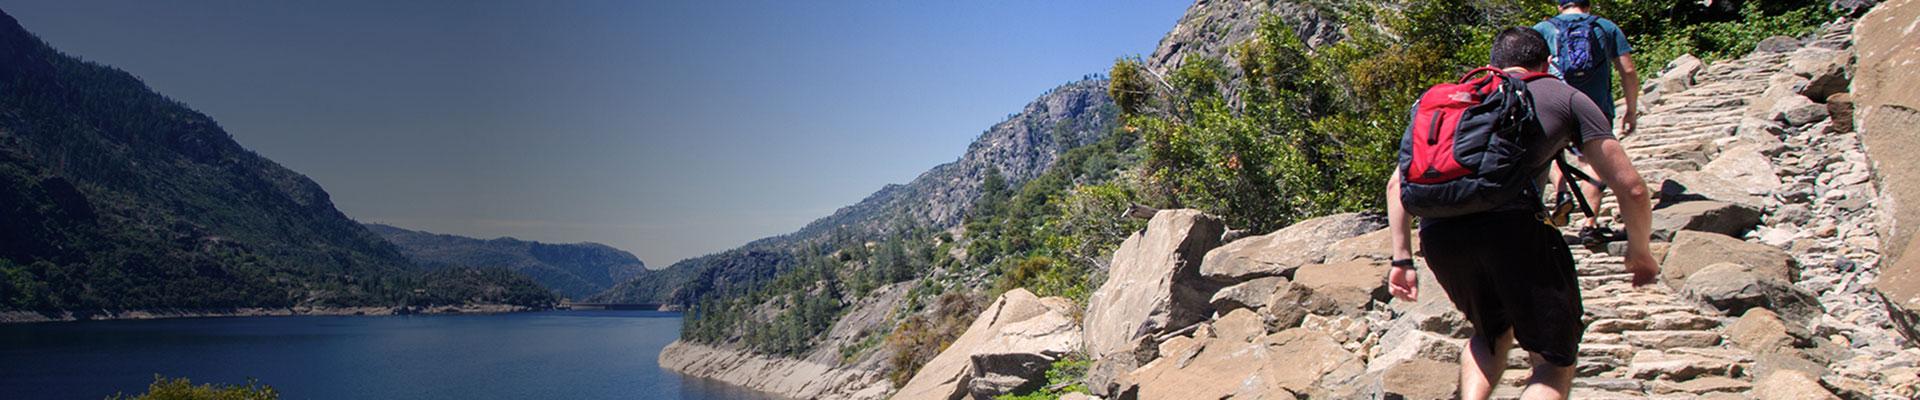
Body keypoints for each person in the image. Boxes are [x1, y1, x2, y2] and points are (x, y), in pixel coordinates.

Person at [1384, 28, 1659, 400]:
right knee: (1552, 361)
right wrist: (1640, 251)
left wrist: (1402, 258)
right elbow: (1633, 188)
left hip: (1441, 237)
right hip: (1514, 232)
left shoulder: (1449, 102)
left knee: (1489, 334)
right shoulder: (1563, 95)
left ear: (1490, 65)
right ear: (1547, 64)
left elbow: (1396, 186)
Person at [1535, 0, 1641, 245]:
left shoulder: (1543, 29)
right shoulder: (1605, 27)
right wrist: (1631, 109)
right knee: (1593, 160)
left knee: (1551, 153)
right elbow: (1628, 70)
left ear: (1560, 6)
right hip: (1596, 107)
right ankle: (1589, 223)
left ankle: (1562, 194)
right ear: (1588, 5)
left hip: (1553, 104)